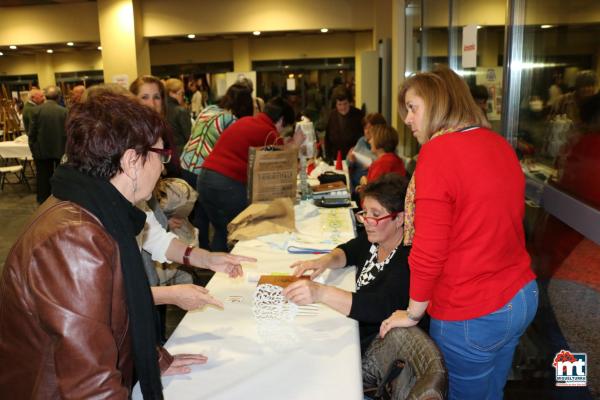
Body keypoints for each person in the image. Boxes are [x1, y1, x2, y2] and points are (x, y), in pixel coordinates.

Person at [0, 92, 206, 399]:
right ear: (132, 161)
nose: (163, 168)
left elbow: (109, 315)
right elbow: (88, 386)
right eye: (161, 156)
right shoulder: (75, 239)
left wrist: (153, 360)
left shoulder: (97, 211)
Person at [380, 68, 538, 400]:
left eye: (413, 108)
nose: (407, 120)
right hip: (521, 296)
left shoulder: (439, 152)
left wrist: (412, 313)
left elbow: (429, 247)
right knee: (492, 392)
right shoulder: (497, 143)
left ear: (438, 103)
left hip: (474, 309)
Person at [283, 174, 413, 353]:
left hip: (374, 347)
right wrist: (324, 261)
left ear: (399, 219)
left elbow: (377, 306)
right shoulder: (375, 240)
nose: (367, 221)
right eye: (364, 213)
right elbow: (348, 251)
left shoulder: (408, 260)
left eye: (375, 215)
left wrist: (321, 292)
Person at [197, 97, 304, 251]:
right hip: (227, 184)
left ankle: (217, 270)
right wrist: (295, 144)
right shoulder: (269, 133)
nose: (281, 132)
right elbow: (281, 168)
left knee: (222, 231)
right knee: (240, 231)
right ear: (281, 120)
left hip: (205, 179)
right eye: (284, 127)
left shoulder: (247, 121)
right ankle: (234, 270)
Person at [180, 83, 254, 248]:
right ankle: (206, 255)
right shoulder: (231, 121)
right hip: (204, 169)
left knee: (199, 215)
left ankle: (201, 252)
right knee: (209, 217)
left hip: (185, 164)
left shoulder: (208, 110)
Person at [130, 75, 181, 176]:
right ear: (133, 101)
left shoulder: (164, 129)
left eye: (156, 97)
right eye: (145, 97)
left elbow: (174, 169)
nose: (152, 104)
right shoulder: (129, 134)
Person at [28, 85, 68, 204]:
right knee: (61, 177)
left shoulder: (36, 110)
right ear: (59, 96)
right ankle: (61, 199)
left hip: (41, 151)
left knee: (43, 178)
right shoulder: (64, 111)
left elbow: (32, 133)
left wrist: (33, 150)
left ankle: (43, 201)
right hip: (60, 150)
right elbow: (68, 132)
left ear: (45, 96)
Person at [357, 124, 406, 191]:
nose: (369, 141)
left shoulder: (382, 164)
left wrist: (364, 184)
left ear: (380, 141)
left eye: (372, 138)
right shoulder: (394, 159)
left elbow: (372, 193)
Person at [346, 113, 387, 192]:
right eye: (365, 128)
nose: (367, 131)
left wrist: (371, 165)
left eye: (370, 128)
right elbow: (348, 162)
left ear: (379, 129)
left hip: (370, 189)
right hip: (356, 185)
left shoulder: (383, 146)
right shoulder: (362, 141)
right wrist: (351, 159)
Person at [324, 86, 364, 162]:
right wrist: (328, 159)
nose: (343, 107)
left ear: (350, 102)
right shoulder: (332, 116)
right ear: (335, 104)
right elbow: (327, 140)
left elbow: (363, 140)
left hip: (355, 159)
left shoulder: (358, 115)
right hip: (336, 159)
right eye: (339, 104)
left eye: (345, 104)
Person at [165, 78, 192, 156]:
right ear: (171, 93)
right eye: (182, 93)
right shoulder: (181, 111)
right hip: (182, 154)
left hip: (166, 155)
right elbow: (189, 137)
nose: (183, 97)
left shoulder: (160, 109)